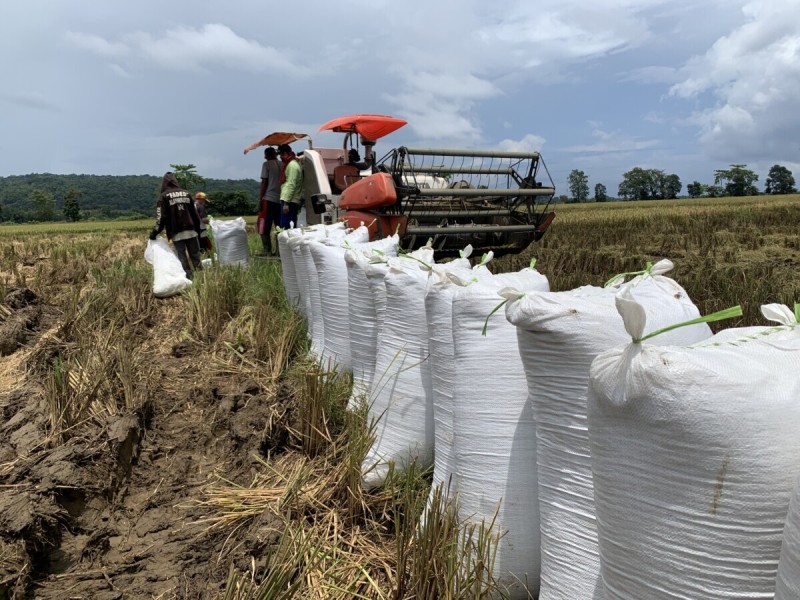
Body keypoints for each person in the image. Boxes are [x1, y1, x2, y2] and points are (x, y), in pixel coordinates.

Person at [149, 172, 203, 279]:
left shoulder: (164, 197)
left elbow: (161, 218)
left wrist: (154, 233)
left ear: (164, 183)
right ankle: (202, 279)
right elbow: (195, 215)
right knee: (195, 256)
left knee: (182, 257)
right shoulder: (186, 193)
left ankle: (189, 280)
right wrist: (199, 231)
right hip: (191, 230)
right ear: (175, 181)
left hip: (176, 232)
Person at [257, 147, 282, 254]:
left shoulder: (266, 165)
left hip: (269, 198)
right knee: (278, 226)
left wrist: (260, 199)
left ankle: (266, 250)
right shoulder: (283, 164)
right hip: (280, 199)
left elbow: (264, 182)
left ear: (266, 155)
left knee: (262, 224)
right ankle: (279, 250)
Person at [278, 143, 304, 229]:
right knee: (288, 225)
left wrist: (286, 203)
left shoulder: (292, 166)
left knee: (286, 226)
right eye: (280, 155)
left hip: (290, 201)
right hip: (289, 199)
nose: (281, 157)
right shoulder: (290, 164)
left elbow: (291, 185)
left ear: (288, 153)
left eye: (283, 154)